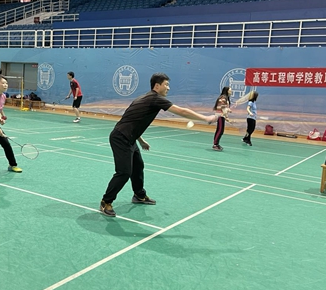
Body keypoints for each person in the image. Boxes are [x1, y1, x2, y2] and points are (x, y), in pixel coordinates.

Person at [99, 72, 215, 217]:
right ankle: (106, 201)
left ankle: (139, 195)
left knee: (138, 166)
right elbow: (182, 111)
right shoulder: (155, 99)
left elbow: (133, 122)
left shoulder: (145, 98)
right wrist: (206, 118)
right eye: (166, 85)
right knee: (124, 172)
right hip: (121, 138)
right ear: (157, 86)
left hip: (130, 138)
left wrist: (141, 141)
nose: (168, 88)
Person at [212, 86, 233, 151]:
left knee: (219, 130)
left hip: (220, 115)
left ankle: (216, 144)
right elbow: (222, 108)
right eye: (230, 90)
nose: (231, 91)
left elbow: (223, 108)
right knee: (220, 130)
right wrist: (227, 117)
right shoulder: (223, 98)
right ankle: (215, 145)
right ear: (227, 91)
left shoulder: (225, 98)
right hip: (220, 116)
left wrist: (227, 110)